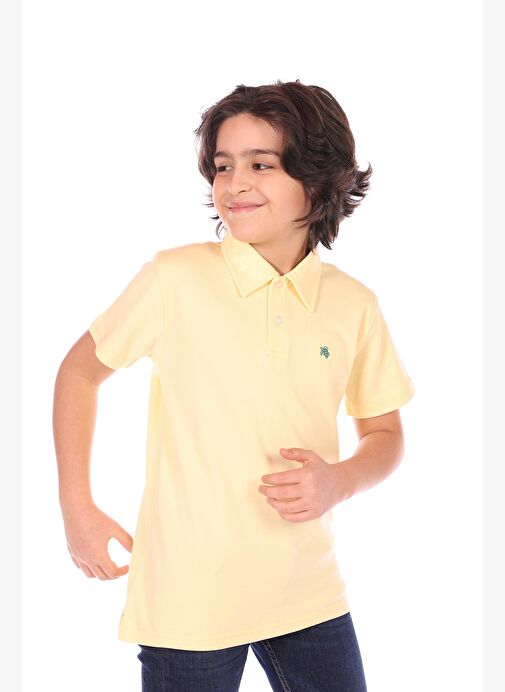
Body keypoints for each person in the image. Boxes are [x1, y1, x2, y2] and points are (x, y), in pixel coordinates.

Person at [53, 79, 415, 692]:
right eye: (223, 166)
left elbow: (385, 433)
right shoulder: (175, 278)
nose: (234, 183)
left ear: (318, 176)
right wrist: (76, 507)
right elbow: (79, 372)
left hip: (308, 592)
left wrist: (341, 480)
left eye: (261, 165)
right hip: (189, 599)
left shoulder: (353, 304)